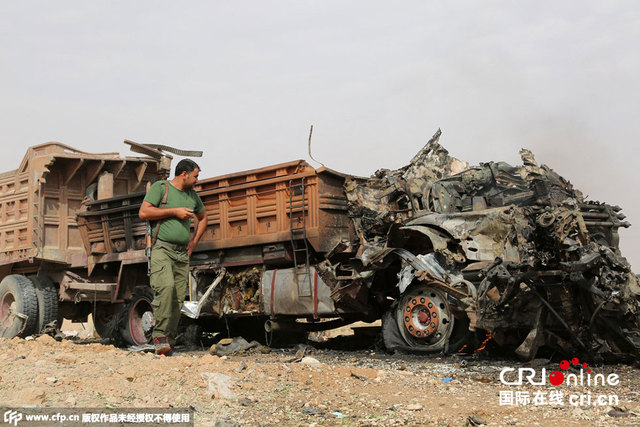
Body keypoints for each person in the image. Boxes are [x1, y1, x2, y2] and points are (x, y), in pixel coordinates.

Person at [139, 159, 207, 355]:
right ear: (184, 174)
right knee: (166, 289)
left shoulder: (192, 196)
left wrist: (193, 243)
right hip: (162, 249)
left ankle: (167, 340)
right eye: (195, 176)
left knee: (178, 298)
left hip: (181, 253)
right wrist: (174, 212)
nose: (197, 180)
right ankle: (159, 337)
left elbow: (203, 218)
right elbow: (144, 212)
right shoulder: (162, 188)